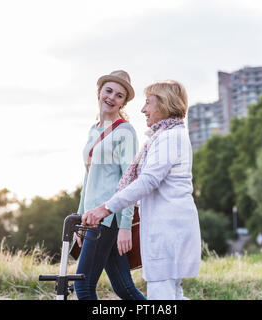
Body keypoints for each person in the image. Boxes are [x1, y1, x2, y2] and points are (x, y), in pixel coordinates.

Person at [82, 80, 201, 300]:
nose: (142, 109)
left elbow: (147, 181)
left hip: (168, 231)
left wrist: (106, 209)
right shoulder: (164, 136)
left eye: (148, 103)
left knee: (162, 297)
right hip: (166, 230)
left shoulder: (169, 138)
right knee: (172, 296)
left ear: (164, 104)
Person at [73, 70, 146, 300]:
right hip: (92, 219)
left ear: (124, 102)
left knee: (82, 287)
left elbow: (130, 179)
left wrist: (125, 226)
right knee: (124, 288)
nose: (112, 97)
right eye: (109, 91)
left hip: (109, 219)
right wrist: (79, 219)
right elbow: (88, 179)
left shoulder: (125, 131)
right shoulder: (94, 129)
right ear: (99, 92)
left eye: (119, 95)